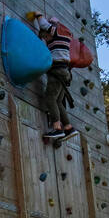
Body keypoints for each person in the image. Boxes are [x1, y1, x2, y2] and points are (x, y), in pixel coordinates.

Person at [29, 13, 78, 141]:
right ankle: (68, 127)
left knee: (50, 98)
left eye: (47, 34)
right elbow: (45, 43)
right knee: (58, 102)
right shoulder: (64, 38)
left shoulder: (56, 32)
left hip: (57, 71)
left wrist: (38, 15)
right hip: (65, 73)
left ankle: (57, 128)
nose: (47, 36)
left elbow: (44, 25)